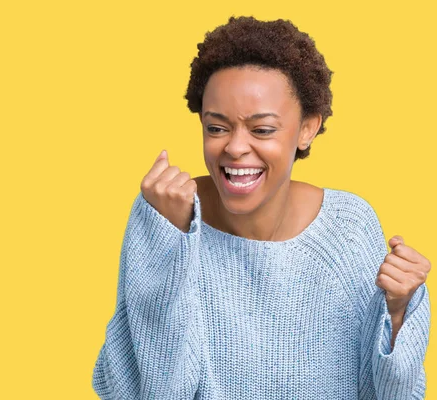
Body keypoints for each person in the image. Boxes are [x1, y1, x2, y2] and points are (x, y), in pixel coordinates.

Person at [91, 16, 431, 399]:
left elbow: (391, 395)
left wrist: (399, 311)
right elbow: (144, 391)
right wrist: (167, 248)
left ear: (306, 129)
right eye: (216, 128)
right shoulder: (165, 215)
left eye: (262, 129)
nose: (235, 147)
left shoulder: (348, 228)